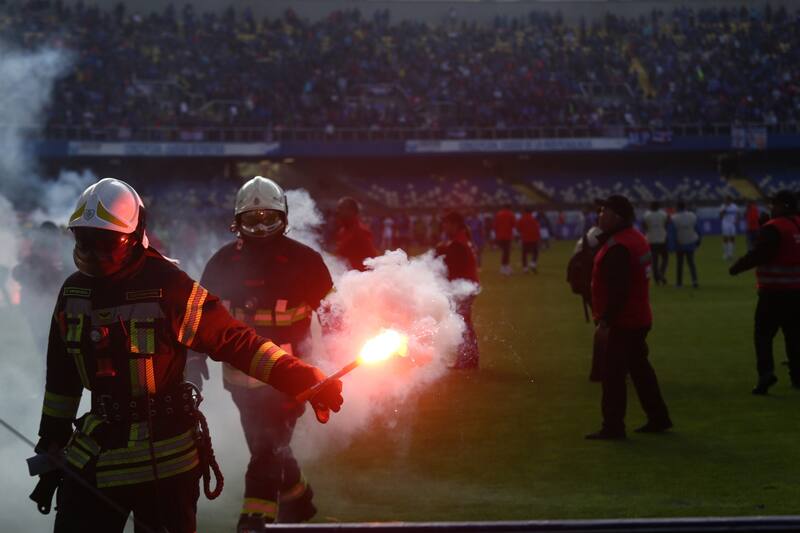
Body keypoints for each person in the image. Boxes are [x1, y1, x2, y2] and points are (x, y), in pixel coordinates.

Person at [35, 178, 343, 533]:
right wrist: (51, 443)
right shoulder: (73, 291)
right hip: (94, 455)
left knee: (268, 448)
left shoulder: (170, 285)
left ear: (134, 237)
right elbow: (61, 380)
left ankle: (284, 504)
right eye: (84, 241)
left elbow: (234, 341)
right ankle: (297, 497)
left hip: (164, 463)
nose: (94, 254)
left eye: (106, 243)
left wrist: (302, 378)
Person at [185, 177, 334, 530]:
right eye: (253, 219)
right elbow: (199, 319)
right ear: (237, 222)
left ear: (284, 217)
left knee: (266, 451)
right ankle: (298, 503)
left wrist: (344, 347)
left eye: (269, 217)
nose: (262, 226)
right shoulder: (221, 263)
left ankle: (254, 522)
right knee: (266, 447)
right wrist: (193, 359)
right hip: (240, 385)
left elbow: (335, 314)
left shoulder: (307, 261)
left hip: (290, 381)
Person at [586, 195, 672, 440]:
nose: (599, 214)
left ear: (616, 216)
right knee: (641, 370)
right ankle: (658, 417)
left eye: (604, 210)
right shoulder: (635, 239)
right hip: (638, 316)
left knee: (613, 376)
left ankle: (613, 426)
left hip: (623, 322)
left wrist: (605, 321)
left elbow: (618, 291)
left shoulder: (618, 246)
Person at [729, 190, 800, 394]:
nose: (771, 208)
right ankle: (797, 376)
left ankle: (765, 374)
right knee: (794, 336)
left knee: (763, 335)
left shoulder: (774, 228)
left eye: (774, 205)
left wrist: (736, 268)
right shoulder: (796, 224)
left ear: (784, 206)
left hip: (774, 293)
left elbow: (760, 253)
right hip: (796, 293)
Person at [435, 212, 479, 369]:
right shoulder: (460, 240)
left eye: (447, 223)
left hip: (463, 287)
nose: (444, 226)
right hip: (466, 286)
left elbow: (452, 266)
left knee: (463, 324)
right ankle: (468, 359)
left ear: (454, 224)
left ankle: (467, 360)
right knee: (464, 323)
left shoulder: (458, 243)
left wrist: (441, 254)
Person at [335, 197, 378, 271]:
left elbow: (372, 262)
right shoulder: (342, 231)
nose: (337, 211)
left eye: (341, 208)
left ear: (352, 211)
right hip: (345, 276)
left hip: (359, 279)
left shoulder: (361, 232)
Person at [671, 201, 701, 288]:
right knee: (691, 263)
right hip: (691, 241)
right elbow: (697, 229)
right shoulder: (692, 215)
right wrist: (699, 239)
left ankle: (679, 283)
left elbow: (673, 233)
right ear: (685, 207)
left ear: (677, 207)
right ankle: (694, 281)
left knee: (679, 264)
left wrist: (672, 245)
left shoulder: (674, 218)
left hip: (680, 243)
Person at [642, 201, 669, 285]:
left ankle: (657, 278)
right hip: (662, 239)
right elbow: (667, 224)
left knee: (654, 260)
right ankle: (661, 274)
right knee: (665, 258)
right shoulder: (663, 214)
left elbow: (644, 227)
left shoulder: (647, 215)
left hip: (651, 239)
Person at [517, 206, 541, 273]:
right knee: (535, 252)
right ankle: (533, 263)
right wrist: (538, 238)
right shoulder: (534, 219)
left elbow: (518, 228)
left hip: (525, 238)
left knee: (524, 253)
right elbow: (537, 229)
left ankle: (525, 268)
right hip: (534, 238)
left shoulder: (522, 219)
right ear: (531, 212)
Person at [494, 204, 515, 275]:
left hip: (499, 235)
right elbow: (513, 224)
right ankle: (504, 267)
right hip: (507, 235)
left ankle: (505, 266)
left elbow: (495, 225)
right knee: (506, 252)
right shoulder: (510, 214)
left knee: (504, 251)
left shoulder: (498, 214)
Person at [720, 196, 739, 261]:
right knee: (725, 238)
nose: (726, 201)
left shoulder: (734, 206)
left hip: (732, 224)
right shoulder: (723, 206)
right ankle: (726, 254)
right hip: (725, 223)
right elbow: (720, 215)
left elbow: (737, 214)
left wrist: (736, 219)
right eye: (725, 200)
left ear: (730, 200)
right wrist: (725, 209)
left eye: (727, 200)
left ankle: (731, 254)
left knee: (732, 238)